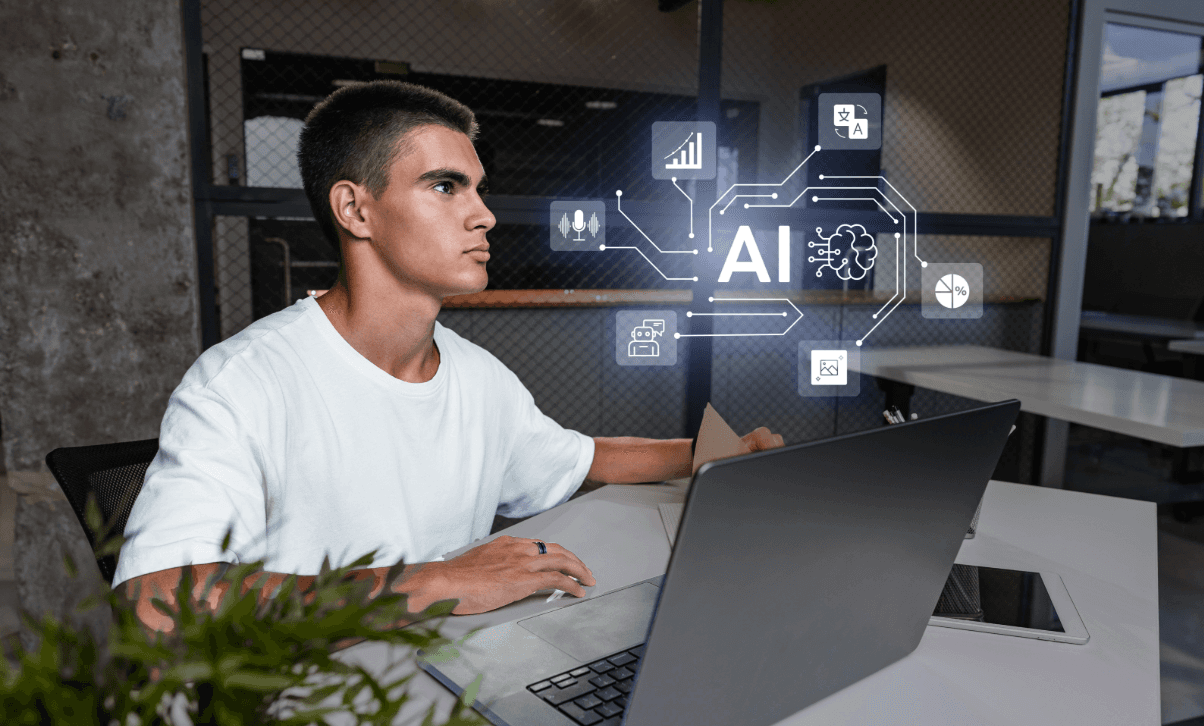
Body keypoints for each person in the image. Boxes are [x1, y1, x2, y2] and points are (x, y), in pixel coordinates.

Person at [114, 81, 783, 632]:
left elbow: (581, 458)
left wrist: (714, 451)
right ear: (356, 209)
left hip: (443, 665)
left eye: (478, 188)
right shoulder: (241, 383)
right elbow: (157, 597)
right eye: (445, 186)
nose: (484, 214)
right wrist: (429, 583)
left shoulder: (478, 376)